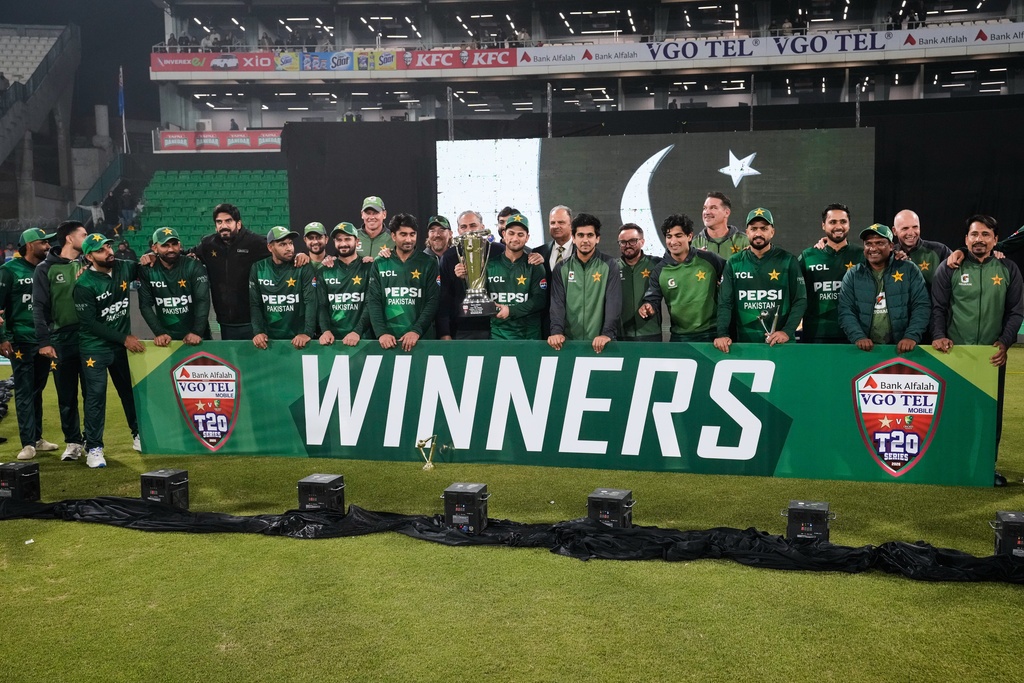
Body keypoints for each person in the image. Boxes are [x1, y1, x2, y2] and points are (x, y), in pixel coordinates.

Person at [931, 215, 1023, 486]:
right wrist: (938, 336)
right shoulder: (949, 268)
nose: (979, 239)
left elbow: (1016, 311)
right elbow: (937, 307)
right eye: (974, 234)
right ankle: (950, 464)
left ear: (995, 239)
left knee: (990, 415)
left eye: (985, 235)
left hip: (992, 357)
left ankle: (986, 467)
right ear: (966, 239)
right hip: (955, 356)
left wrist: (1005, 342)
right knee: (954, 412)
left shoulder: (1009, 268)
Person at [73, 234, 144, 468]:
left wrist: (151, 256)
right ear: (89, 256)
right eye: (101, 249)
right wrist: (124, 338)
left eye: (109, 246)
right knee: (95, 398)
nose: (109, 251)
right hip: (94, 348)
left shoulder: (124, 268)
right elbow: (89, 324)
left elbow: (148, 264)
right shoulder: (83, 284)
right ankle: (94, 447)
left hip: (120, 347)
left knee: (129, 393)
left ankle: (138, 435)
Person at [189, 203, 307, 340]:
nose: (223, 225)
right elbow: (186, 255)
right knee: (232, 361)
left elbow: (281, 251)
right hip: (225, 322)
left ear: (238, 224)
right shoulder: (208, 244)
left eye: (228, 221)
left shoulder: (254, 242)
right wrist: (156, 255)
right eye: (219, 222)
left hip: (254, 321)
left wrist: (299, 255)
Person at [0, 228, 59, 461]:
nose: (47, 246)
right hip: (21, 340)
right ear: (29, 245)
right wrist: (3, 337)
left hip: (44, 339)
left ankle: (36, 438)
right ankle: (27, 444)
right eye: (43, 242)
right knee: (24, 390)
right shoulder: (8, 271)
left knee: (37, 390)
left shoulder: (48, 269)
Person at [34, 220, 89, 462]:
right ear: (69, 238)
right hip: (61, 339)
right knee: (66, 394)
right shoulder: (45, 269)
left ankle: (93, 440)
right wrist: (44, 341)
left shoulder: (90, 262)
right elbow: (38, 307)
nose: (88, 239)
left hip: (89, 337)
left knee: (93, 393)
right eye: (84, 234)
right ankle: (73, 442)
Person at [714, 208, 806, 352]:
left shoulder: (788, 261)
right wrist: (722, 334)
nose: (758, 233)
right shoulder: (734, 263)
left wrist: (787, 332)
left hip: (782, 344)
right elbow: (725, 303)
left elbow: (800, 300)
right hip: (744, 344)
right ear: (747, 232)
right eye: (753, 228)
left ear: (772, 232)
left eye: (764, 228)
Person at [837, 224, 930, 353]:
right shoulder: (853, 275)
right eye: (868, 243)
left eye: (880, 243)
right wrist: (858, 337)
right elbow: (845, 310)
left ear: (891, 246)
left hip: (903, 349)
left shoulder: (909, 269)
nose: (873, 248)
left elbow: (921, 305)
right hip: (864, 350)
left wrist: (911, 336)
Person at [641, 214, 726, 342]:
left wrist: (749, 253)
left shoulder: (710, 259)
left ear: (690, 236)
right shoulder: (659, 271)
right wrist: (648, 307)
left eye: (678, 236)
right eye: (669, 237)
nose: (673, 241)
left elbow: (733, 272)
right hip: (679, 337)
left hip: (712, 334)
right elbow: (652, 299)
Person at [547, 213, 621, 354]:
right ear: (573, 238)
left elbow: (613, 303)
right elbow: (557, 304)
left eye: (590, 235)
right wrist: (556, 332)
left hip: (601, 343)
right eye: (580, 235)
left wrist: (606, 334)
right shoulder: (561, 268)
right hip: (568, 344)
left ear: (597, 238)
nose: (585, 240)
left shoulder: (610, 265)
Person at [367, 214, 439, 351]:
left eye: (412, 234)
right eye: (403, 234)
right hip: (388, 341)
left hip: (421, 340)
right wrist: (382, 333)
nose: (409, 239)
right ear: (393, 236)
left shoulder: (429, 262)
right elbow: (373, 301)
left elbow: (432, 300)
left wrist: (416, 331)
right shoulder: (380, 263)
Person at [799, 203, 865, 343]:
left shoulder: (863, 255)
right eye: (832, 222)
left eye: (843, 221)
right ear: (823, 225)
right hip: (816, 333)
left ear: (849, 224)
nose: (838, 226)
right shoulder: (808, 256)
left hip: (856, 334)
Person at [437, 210, 506, 340]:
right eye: (464, 227)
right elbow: (444, 299)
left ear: (482, 227)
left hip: (497, 327)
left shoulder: (499, 251)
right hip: (463, 329)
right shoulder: (449, 257)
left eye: (473, 225)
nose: (469, 230)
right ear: (458, 230)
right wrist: (445, 333)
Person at [137, 227, 211, 346]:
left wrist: (197, 331)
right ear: (155, 248)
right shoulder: (147, 270)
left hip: (198, 336)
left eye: (174, 244)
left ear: (179, 245)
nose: (171, 249)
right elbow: (145, 305)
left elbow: (202, 300)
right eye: (165, 245)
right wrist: (159, 332)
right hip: (167, 339)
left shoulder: (193, 265)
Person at [249, 226, 318, 350]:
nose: (289, 248)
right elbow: (255, 304)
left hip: (299, 339)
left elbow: (311, 302)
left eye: (290, 243)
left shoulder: (302, 266)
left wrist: (307, 333)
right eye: (282, 244)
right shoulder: (258, 268)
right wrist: (258, 332)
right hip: (269, 340)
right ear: (270, 247)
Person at [485, 214, 547, 340]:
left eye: (520, 234)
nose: (515, 238)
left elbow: (539, 300)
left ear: (527, 238)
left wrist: (510, 310)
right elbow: (479, 296)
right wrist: (465, 278)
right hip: (498, 336)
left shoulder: (535, 265)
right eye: (511, 233)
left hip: (529, 337)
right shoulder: (489, 265)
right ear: (504, 234)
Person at [318, 223, 373, 347]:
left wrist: (357, 331)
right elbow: (321, 305)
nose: (343, 244)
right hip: (332, 341)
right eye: (339, 240)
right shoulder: (325, 270)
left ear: (357, 241)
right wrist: (325, 331)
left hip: (364, 339)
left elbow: (371, 304)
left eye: (347, 239)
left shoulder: (369, 268)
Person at [616, 224, 662, 342]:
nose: (627, 246)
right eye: (623, 242)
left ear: (642, 242)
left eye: (632, 241)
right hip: (622, 335)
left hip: (651, 333)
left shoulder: (657, 264)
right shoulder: (612, 268)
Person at [892, 209, 951, 290]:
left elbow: (960, 271)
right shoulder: (890, 255)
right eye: (905, 228)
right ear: (894, 231)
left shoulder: (939, 250)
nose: (911, 233)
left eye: (915, 227)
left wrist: (962, 251)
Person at [692, 192, 750, 257]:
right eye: (705, 208)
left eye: (713, 208)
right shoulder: (693, 244)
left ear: (727, 213)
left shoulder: (745, 242)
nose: (707, 212)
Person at [534, 205, 574, 275]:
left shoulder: (583, 251)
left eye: (561, 222)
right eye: (552, 223)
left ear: (571, 225)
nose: (556, 226)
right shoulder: (538, 252)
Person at [357, 196, 395, 261]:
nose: (371, 217)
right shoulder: (352, 237)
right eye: (368, 213)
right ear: (362, 214)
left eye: (376, 213)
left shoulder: (394, 239)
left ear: (384, 214)